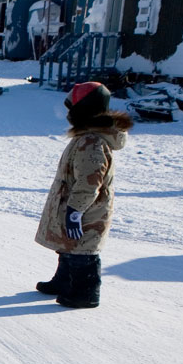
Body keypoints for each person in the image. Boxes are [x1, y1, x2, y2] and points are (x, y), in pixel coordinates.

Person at [34, 81, 132, 309]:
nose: (68, 114)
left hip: (88, 210)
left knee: (83, 250)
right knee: (69, 244)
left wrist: (75, 210)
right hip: (75, 204)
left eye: (72, 109)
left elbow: (89, 183)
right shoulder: (87, 136)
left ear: (83, 110)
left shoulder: (92, 142)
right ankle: (65, 281)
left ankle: (85, 293)